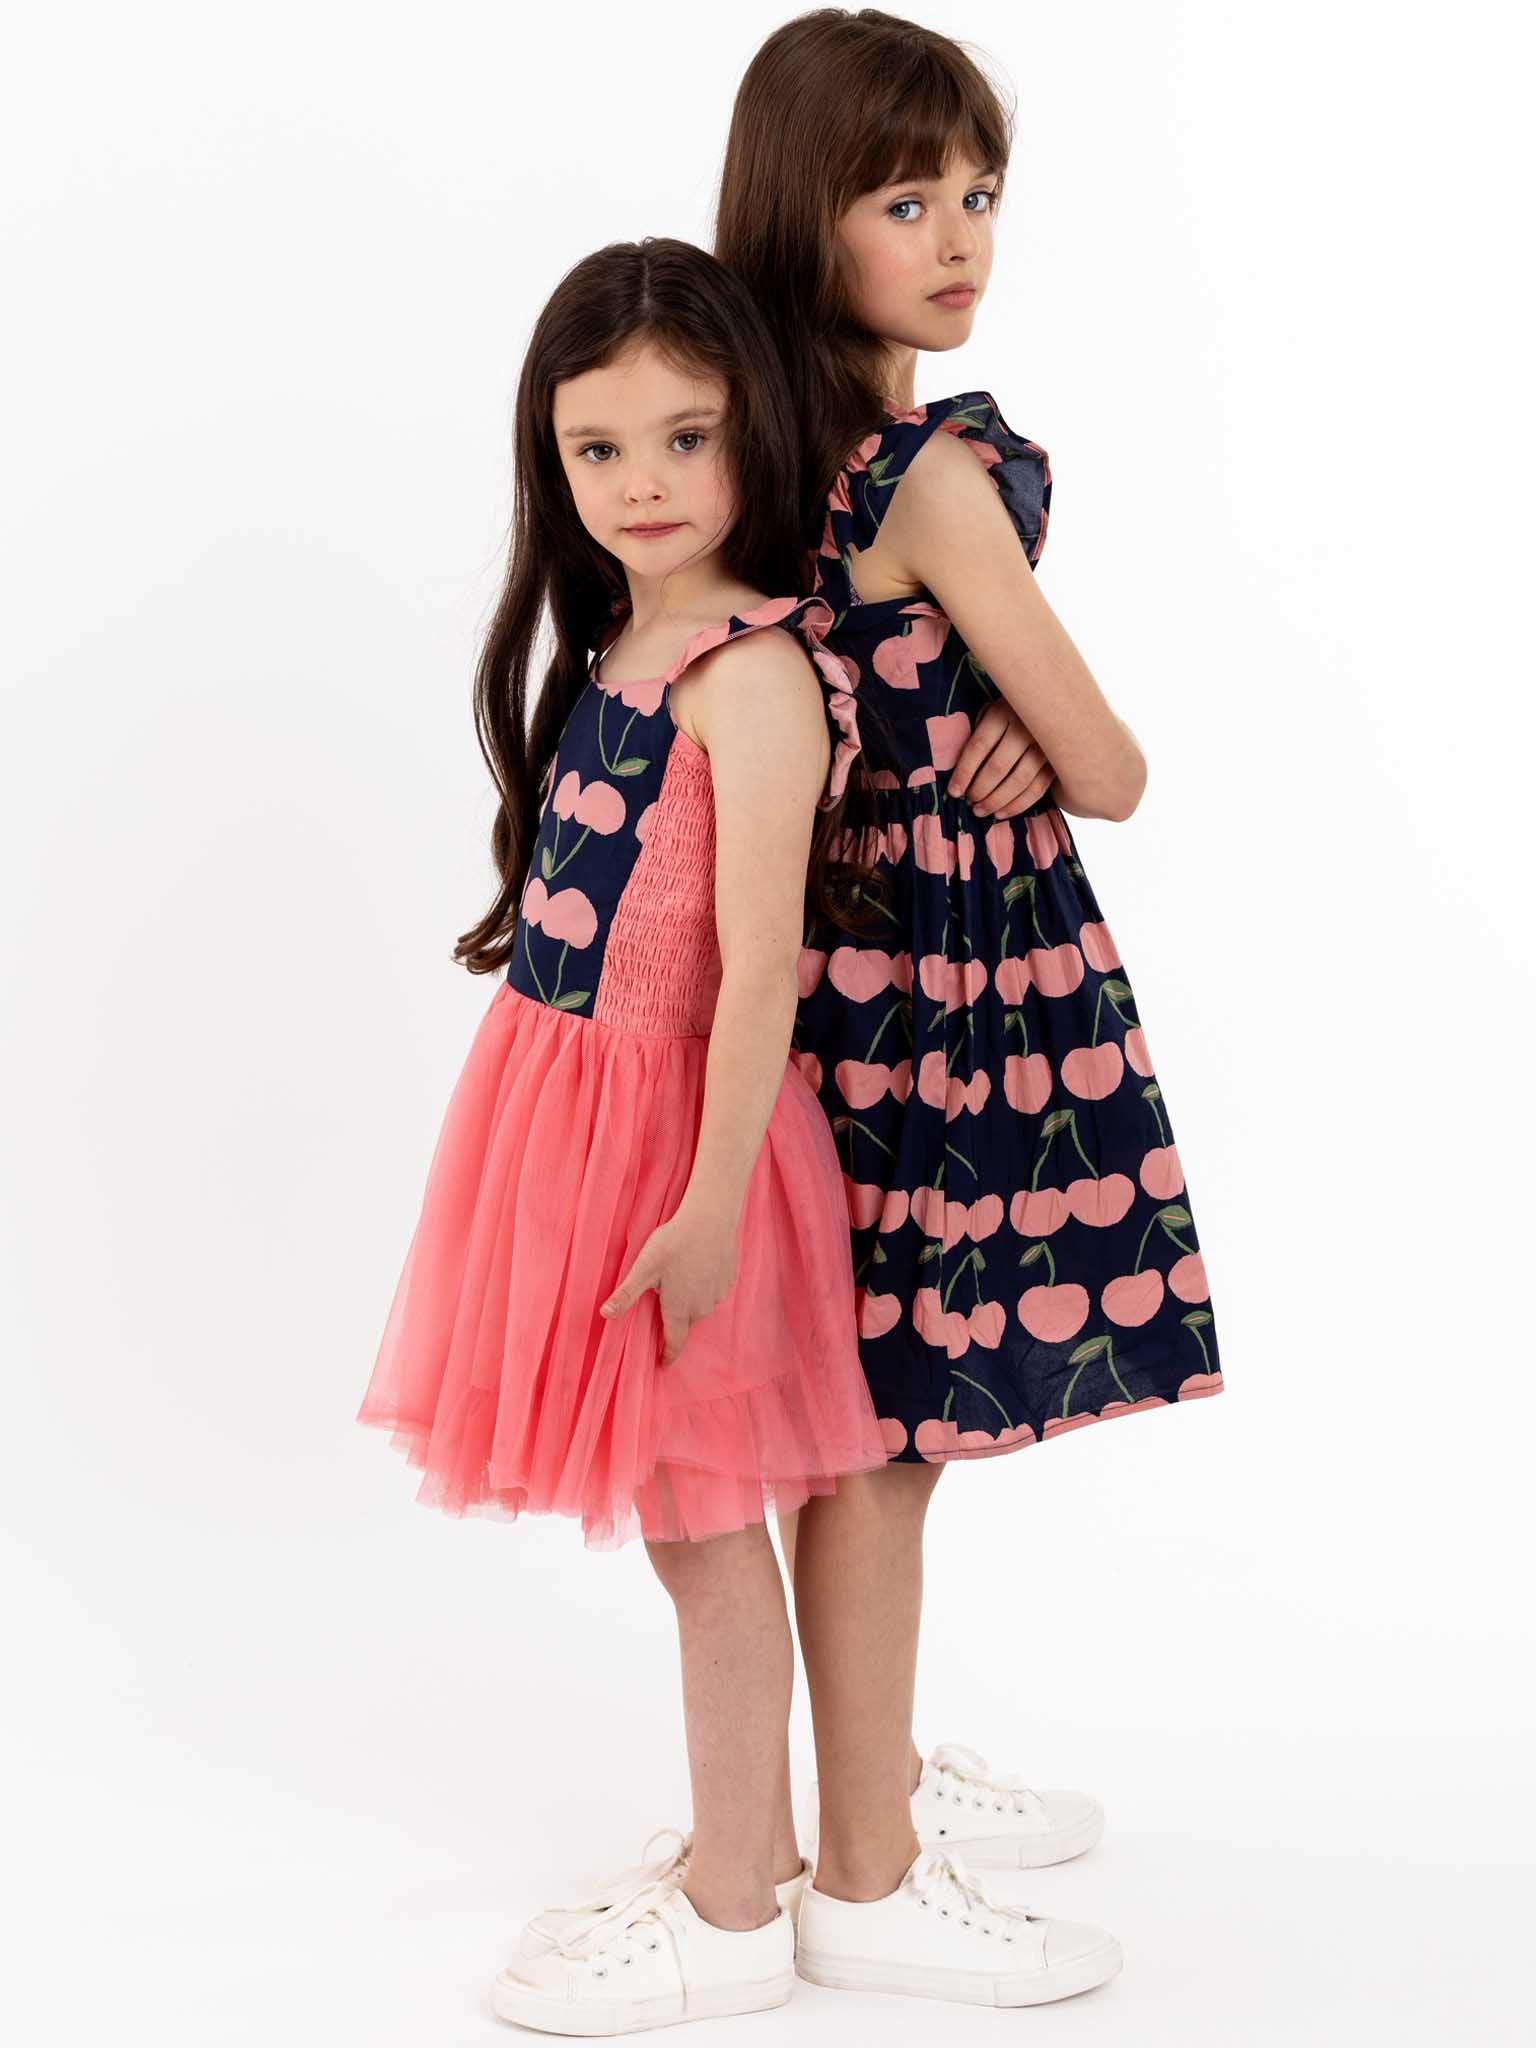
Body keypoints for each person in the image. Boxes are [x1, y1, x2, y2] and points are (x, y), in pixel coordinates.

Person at [356, 237, 914, 2032]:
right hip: (571, 1110)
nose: (647, 484)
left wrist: (704, 1206)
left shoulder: (752, 670)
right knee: (686, 1523)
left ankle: (740, 1906)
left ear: (752, 427)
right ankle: (729, 1861)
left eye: (687, 438)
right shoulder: (627, 629)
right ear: (554, 461)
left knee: (698, 1523)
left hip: (688, 1144)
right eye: (601, 451)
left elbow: (765, 973)